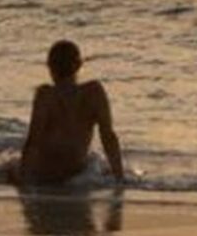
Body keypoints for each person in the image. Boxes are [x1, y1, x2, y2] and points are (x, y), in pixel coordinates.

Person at [14, 40, 124, 185]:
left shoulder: (46, 95)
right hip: (77, 171)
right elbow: (108, 137)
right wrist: (119, 177)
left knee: (6, 170)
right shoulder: (94, 92)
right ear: (79, 65)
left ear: (50, 66)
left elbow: (33, 141)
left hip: (45, 173)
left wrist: (24, 178)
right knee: (102, 169)